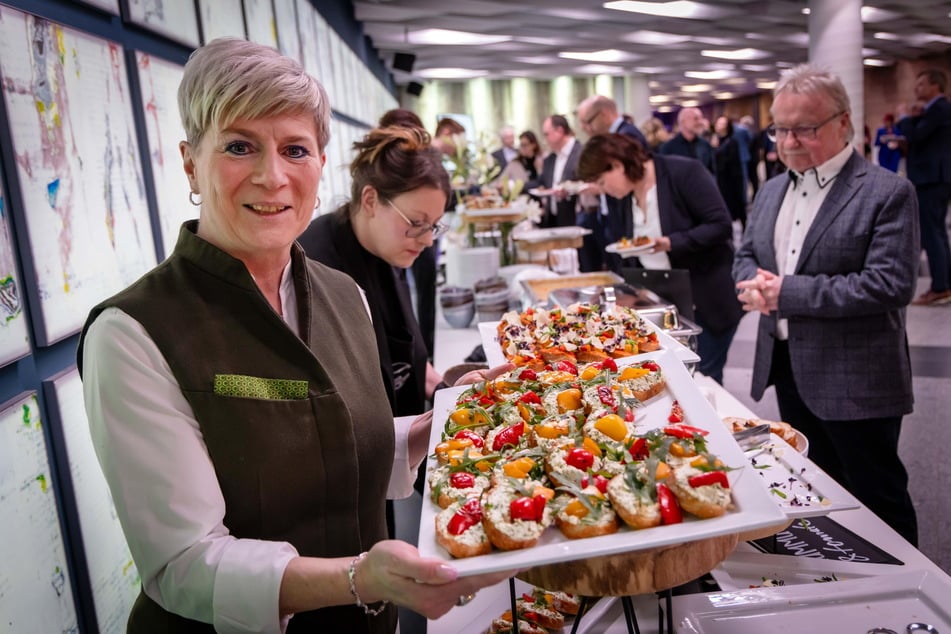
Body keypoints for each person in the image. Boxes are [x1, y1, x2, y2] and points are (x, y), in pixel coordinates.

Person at [78, 38, 511, 633]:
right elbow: (183, 562)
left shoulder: (343, 294)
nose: (272, 176)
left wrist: (439, 425)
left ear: (320, 163)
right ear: (189, 163)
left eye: (295, 149)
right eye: (238, 146)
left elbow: (333, 442)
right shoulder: (133, 332)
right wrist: (360, 580)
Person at [734, 64, 920, 546]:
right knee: (813, 484)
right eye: (780, 129)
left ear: (843, 123)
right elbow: (748, 253)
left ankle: (908, 601)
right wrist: (751, 281)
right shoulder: (773, 187)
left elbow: (888, 285)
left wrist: (784, 293)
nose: (790, 141)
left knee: (876, 494)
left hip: (855, 372)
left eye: (805, 128)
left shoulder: (887, 191)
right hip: (788, 364)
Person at [298, 126, 446, 426]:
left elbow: (404, 353)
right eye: (417, 223)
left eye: (434, 225)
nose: (428, 240)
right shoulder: (315, 265)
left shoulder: (385, 247)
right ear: (370, 200)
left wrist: (450, 391)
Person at [577, 133, 743, 384]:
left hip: (707, 300)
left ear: (618, 164)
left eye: (602, 182)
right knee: (669, 379)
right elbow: (624, 247)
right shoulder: (623, 198)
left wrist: (670, 243)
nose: (603, 190)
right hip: (665, 303)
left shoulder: (684, 172)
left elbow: (720, 225)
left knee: (702, 379)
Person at [378, 109, 439, 360]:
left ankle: (424, 362)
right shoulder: (379, 169)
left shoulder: (425, 162)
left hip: (417, 233)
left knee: (420, 295)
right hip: (389, 241)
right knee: (397, 297)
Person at [897, 69, 951, 306]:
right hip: (936, 178)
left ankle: (940, 287)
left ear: (935, 86)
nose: (916, 89)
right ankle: (945, 282)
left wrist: (903, 118)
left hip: (932, 179)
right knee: (937, 232)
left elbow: (917, 136)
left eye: (921, 84)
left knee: (931, 233)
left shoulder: (939, 109)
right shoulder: (935, 111)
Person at [538, 114, 582, 227]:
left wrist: (569, 189)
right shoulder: (550, 158)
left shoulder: (581, 153)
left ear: (559, 131)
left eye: (547, 134)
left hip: (576, 219)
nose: (545, 139)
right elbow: (541, 182)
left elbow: (586, 183)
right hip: (554, 219)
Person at [711, 116, 747, 229]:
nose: (719, 126)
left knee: (737, 205)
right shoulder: (714, 140)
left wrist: (716, 149)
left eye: (723, 124)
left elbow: (729, 162)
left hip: (732, 179)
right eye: (718, 123)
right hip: (720, 179)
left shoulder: (731, 141)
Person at [659, 106, 716, 174]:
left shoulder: (705, 145)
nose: (700, 122)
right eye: (696, 118)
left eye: (701, 118)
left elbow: (711, 172)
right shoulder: (668, 148)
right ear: (683, 122)